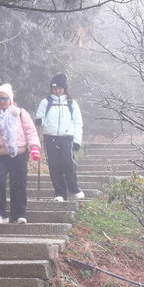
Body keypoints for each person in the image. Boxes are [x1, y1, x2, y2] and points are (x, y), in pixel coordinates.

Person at [0, 84, 40, 225]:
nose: (2, 102)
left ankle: (19, 214)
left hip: (19, 152)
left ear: (10, 99)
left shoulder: (20, 113)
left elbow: (30, 132)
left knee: (18, 183)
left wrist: (34, 147)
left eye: (5, 98)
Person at [34, 72, 85, 202]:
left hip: (67, 136)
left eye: (60, 88)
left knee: (67, 162)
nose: (57, 91)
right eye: (55, 88)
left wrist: (77, 140)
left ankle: (74, 188)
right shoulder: (45, 102)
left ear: (64, 89)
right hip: (49, 136)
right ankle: (60, 193)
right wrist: (39, 121)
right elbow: (40, 117)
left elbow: (78, 123)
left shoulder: (72, 103)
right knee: (54, 165)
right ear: (51, 88)